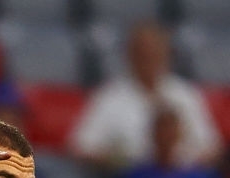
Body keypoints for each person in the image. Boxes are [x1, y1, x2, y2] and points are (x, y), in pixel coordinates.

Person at [69, 20, 221, 170]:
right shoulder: (108, 97)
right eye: (142, 53)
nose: (149, 60)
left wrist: (180, 164)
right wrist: (120, 160)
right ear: (129, 55)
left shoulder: (185, 94)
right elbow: (81, 147)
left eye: (155, 52)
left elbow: (212, 147)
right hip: (131, 177)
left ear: (166, 55)